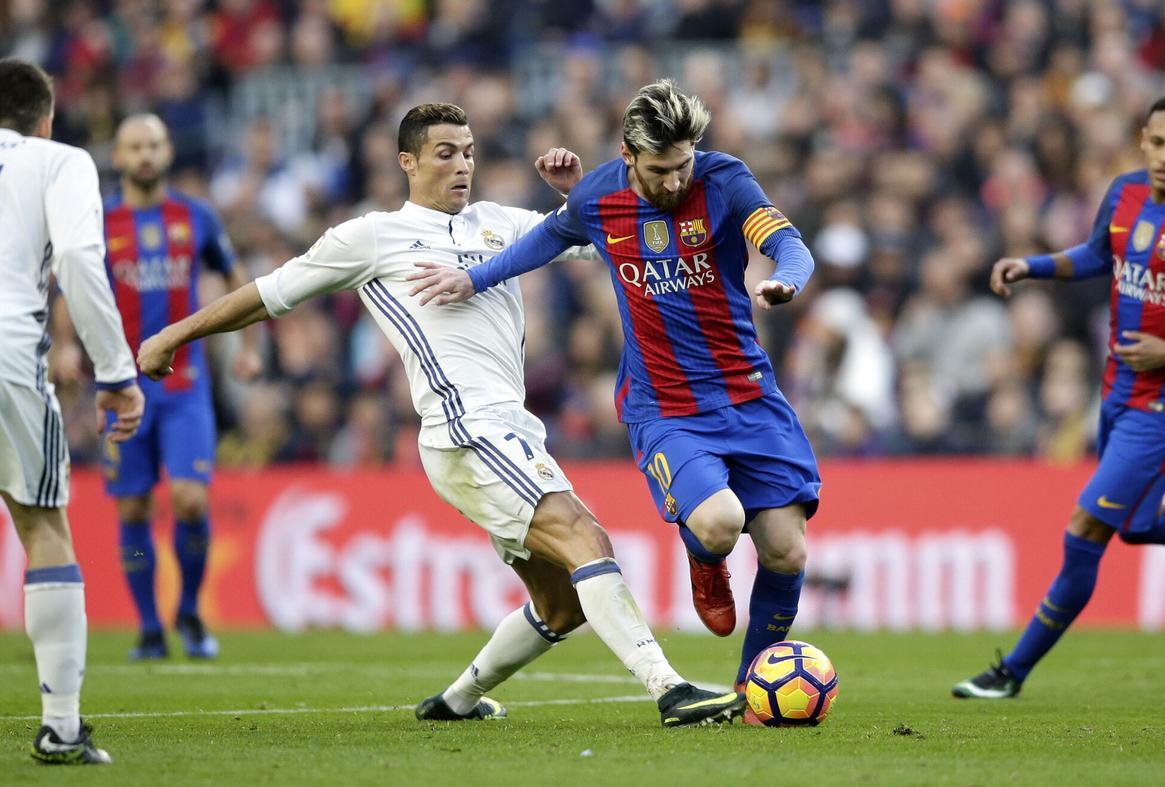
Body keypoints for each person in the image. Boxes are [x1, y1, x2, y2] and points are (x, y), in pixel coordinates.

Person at [136, 102, 745, 727]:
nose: (462, 165)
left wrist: (580, 196)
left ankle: (455, 702)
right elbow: (269, 294)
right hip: (464, 430)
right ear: (408, 162)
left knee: (562, 603)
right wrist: (172, 337)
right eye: (446, 153)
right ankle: (670, 691)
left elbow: (602, 242)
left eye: (470, 151)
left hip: (510, 426)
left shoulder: (501, 223)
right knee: (586, 538)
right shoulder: (370, 237)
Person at [408, 79, 821, 723]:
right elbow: (539, 243)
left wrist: (785, 281)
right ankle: (705, 557)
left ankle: (750, 694)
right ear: (628, 155)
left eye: (684, 163)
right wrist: (472, 277)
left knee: (786, 551)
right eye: (661, 168)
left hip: (749, 395)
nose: (676, 179)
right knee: (718, 522)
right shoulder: (600, 195)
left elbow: (787, 243)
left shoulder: (727, 180)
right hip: (667, 408)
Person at [953, 93, 1165, 699]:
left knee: (1086, 525)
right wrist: (1030, 266)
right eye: (1159, 142)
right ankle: (1011, 673)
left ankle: (1012, 671)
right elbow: (1097, 255)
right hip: (1115, 389)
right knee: (1137, 526)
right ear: (1143, 139)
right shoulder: (1125, 193)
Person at [0, 57, 145, 764]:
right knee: (42, 524)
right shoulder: (59, 161)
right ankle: (60, 727)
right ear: (45, 119)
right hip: (7, 350)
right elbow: (83, 259)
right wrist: (116, 372)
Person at [100, 114, 261, 660]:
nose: (145, 154)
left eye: (154, 144)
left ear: (167, 152)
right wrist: (70, 347)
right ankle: (148, 626)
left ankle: (189, 611)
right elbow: (72, 289)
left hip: (185, 385)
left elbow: (236, 278)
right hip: (120, 386)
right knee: (133, 510)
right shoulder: (98, 220)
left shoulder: (194, 216)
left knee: (190, 500)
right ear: (119, 156)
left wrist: (248, 347)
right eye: (135, 146)